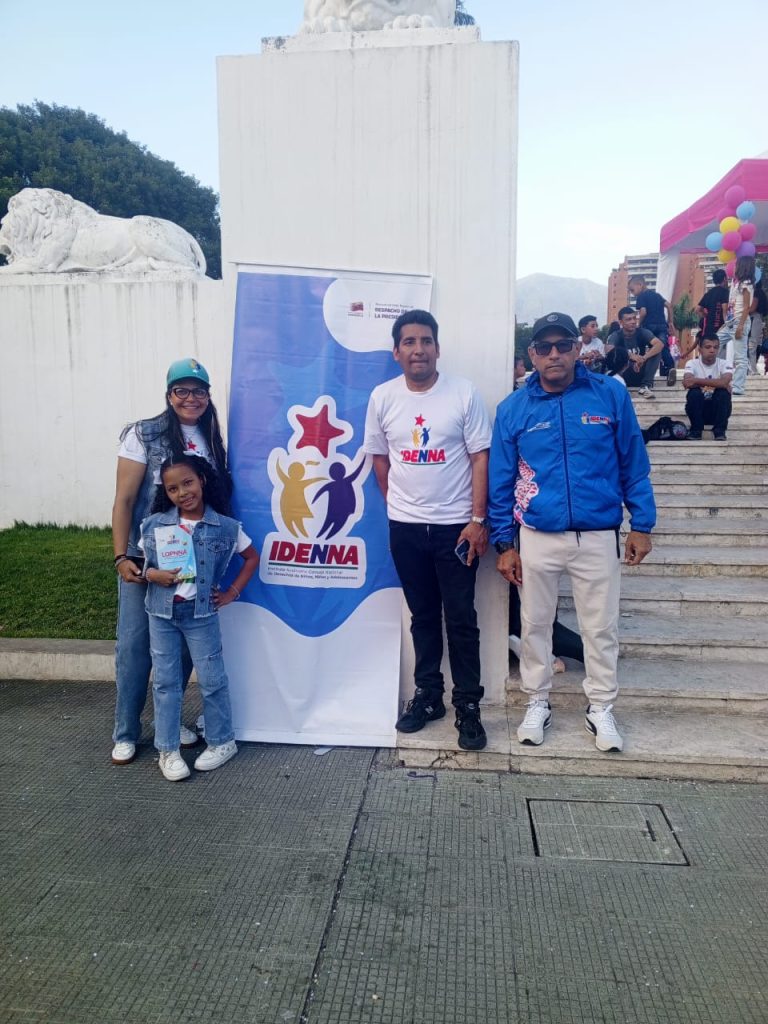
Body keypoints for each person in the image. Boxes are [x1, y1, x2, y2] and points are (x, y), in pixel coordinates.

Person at [489, 312, 656, 753]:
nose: (554, 354)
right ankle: (537, 701)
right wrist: (504, 543)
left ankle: (600, 707)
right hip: (537, 535)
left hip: (597, 534)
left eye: (563, 345)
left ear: (578, 349)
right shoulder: (513, 409)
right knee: (534, 625)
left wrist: (642, 524)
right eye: (544, 347)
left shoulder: (609, 395)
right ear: (532, 355)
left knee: (600, 627)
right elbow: (501, 481)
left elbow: (633, 463)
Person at [363, 309, 492, 751]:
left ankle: (468, 704)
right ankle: (429, 695)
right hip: (406, 529)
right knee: (422, 616)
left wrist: (477, 521)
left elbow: (480, 458)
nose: (418, 349)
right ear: (396, 351)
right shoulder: (382, 397)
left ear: (437, 348)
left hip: (457, 528)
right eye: (409, 342)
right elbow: (380, 460)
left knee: (461, 618)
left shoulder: (463, 393)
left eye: (426, 341)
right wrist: (400, 508)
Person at [111, 357, 232, 766]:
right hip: (144, 562)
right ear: (169, 395)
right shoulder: (143, 434)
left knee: (180, 649)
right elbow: (125, 500)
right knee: (135, 646)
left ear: (208, 396)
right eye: (181, 390)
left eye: (199, 391)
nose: (190, 398)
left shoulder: (212, 438)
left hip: (192, 563)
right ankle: (126, 731)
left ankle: (169, 722)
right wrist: (121, 555)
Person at [140, 455, 259, 781]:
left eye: (188, 482)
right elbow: (141, 566)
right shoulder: (154, 525)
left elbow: (252, 557)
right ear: (166, 492)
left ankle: (222, 741)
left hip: (201, 614)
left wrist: (232, 592)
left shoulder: (225, 527)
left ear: (202, 480)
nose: (183, 493)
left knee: (212, 679)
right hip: (161, 614)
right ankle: (168, 749)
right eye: (173, 488)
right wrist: (153, 574)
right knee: (166, 682)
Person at [605, 306, 663, 398]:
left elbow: (659, 344)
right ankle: (618, 386)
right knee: (613, 354)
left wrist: (643, 358)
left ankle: (645, 386)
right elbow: (609, 349)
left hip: (640, 371)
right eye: (628, 319)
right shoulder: (616, 335)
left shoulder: (642, 332)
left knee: (657, 352)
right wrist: (631, 355)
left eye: (634, 318)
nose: (633, 322)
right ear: (621, 322)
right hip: (623, 373)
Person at [683, 333, 733, 441]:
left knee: (723, 393)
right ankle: (696, 431)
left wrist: (695, 380)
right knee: (694, 393)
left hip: (718, 411)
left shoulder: (725, 363)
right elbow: (687, 383)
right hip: (698, 410)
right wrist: (718, 383)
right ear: (700, 349)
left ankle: (719, 432)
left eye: (715, 347)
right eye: (708, 347)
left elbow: (724, 382)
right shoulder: (692, 363)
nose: (712, 350)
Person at [718, 256, 755, 397]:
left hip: (740, 321)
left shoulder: (746, 283)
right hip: (731, 322)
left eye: (737, 265)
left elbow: (746, 307)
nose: (734, 267)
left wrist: (740, 326)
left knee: (740, 357)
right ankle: (714, 376)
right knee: (714, 342)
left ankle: (738, 387)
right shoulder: (736, 282)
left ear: (742, 267)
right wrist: (726, 323)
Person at [629, 275, 675, 378]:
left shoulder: (641, 296)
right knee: (663, 347)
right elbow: (669, 305)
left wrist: (638, 325)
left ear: (640, 285)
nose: (632, 293)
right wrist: (670, 322)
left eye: (632, 290)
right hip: (662, 325)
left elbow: (643, 312)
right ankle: (669, 368)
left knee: (649, 348)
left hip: (649, 326)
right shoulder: (657, 295)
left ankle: (642, 368)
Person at [695, 268, 729, 338]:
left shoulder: (708, 293)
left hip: (708, 330)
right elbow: (725, 309)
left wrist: (706, 315)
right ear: (724, 279)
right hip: (720, 330)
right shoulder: (725, 292)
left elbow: (697, 309)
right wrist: (727, 325)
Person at [748, 279, 766, 375]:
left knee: (752, 344)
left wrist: (742, 311)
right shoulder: (761, 292)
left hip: (754, 318)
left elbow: (752, 308)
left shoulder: (756, 292)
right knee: (755, 344)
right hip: (759, 319)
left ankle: (752, 369)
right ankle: (753, 368)